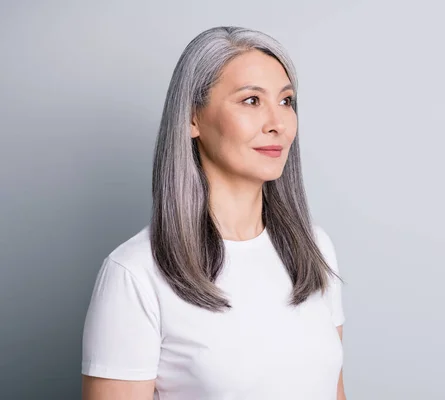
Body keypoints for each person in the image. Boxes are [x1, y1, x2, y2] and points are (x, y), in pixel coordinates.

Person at [81, 26, 347, 400]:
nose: (278, 123)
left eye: (286, 101)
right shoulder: (134, 274)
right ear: (193, 119)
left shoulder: (314, 248)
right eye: (251, 100)